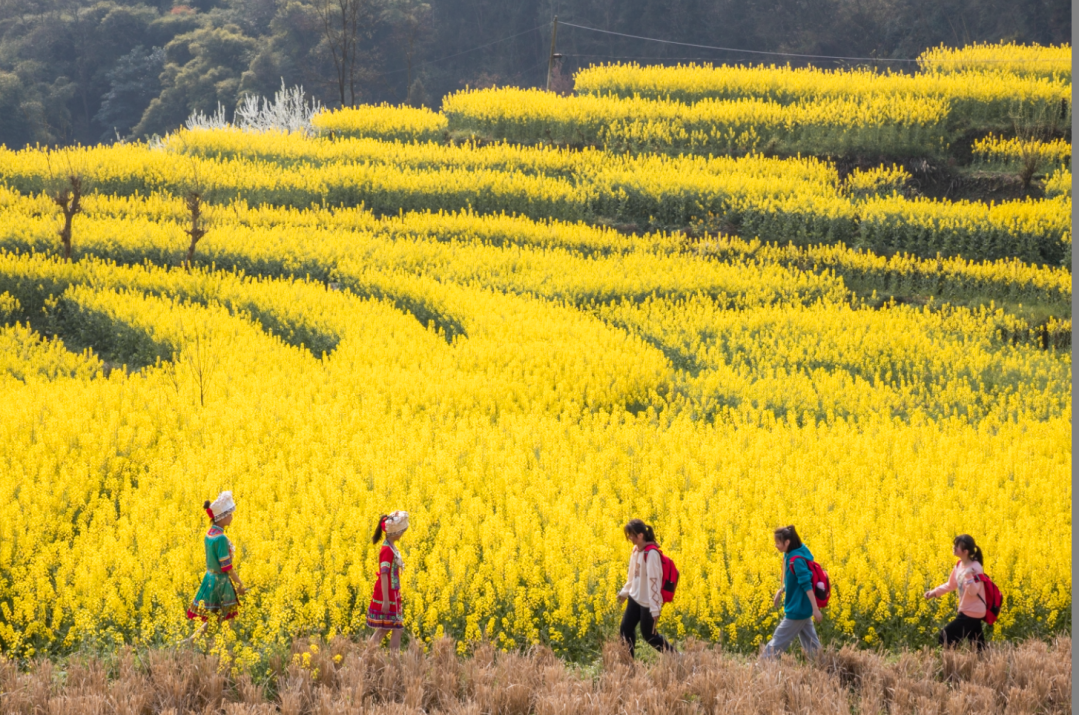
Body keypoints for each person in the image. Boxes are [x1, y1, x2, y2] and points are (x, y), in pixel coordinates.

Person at [186, 491, 246, 634]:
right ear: (222, 517)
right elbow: (227, 567)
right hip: (221, 581)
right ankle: (225, 641)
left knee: (213, 616)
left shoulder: (209, 534)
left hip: (209, 578)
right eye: (229, 515)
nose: (231, 517)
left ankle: (193, 639)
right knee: (230, 613)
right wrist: (239, 585)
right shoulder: (221, 538)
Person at [761, 525, 822, 659]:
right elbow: (794, 581)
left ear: (787, 542)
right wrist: (781, 590)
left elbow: (807, 585)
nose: (776, 545)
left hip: (797, 609)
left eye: (778, 543)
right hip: (801, 607)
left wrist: (815, 609)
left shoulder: (797, 560)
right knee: (812, 644)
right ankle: (823, 665)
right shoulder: (790, 554)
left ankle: (762, 665)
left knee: (778, 639)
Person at [617, 518, 675, 658]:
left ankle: (677, 657)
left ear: (641, 535)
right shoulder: (635, 550)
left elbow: (654, 582)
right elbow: (632, 576)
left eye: (632, 535)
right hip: (634, 598)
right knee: (625, 630)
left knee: (650, 636)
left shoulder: (652, 554)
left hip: (648, 603)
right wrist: (625, 593)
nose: (630, 538)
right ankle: (628, 664)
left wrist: (655, 608)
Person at [924, 534, 986, 649]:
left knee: (946, 636)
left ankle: (948, 659)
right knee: (977, 643)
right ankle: (983, 658)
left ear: (965, 551)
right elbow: (950, 585)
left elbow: (973, 591)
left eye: (957, 546)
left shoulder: (976, 567)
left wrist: (968, 575)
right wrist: (934, 592)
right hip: (968, 609)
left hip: (972, 611)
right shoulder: (959, 565)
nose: (954, 548)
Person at [367, 511, 409, 648]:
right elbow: (384, 574)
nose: (402, 534)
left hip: (393, 593)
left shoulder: (391, 547)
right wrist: (385, 601)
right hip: (388, 594)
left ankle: (390, 659)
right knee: (387, 629)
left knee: (395, 628)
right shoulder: (387, 550)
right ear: (395, 532)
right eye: (401, 531)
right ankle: (367, 657)